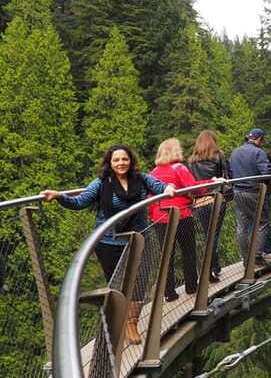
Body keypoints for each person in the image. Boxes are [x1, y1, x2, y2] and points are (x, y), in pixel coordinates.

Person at [42, 144, 176, 344]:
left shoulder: (141, 179)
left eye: (124, 159)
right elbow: (80, 202)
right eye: (116, 160)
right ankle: (120, 324)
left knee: (139, 282)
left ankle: (131, 323)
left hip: (137, 239)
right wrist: (60, 196)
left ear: (130, 161)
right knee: (117, 286)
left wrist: (169, 188)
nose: (121, 163)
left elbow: (159, 187)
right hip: (109, 242)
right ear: (110, 163)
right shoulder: (101, 183)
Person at [149, 138, 214, 302]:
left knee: (166, 255)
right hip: (181, 215)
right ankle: (191, 286)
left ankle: (169, 293)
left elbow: (149, 196)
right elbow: (195, 188)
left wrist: (152, 214)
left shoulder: (153, 172)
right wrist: (212, 182)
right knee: (188, 250)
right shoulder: (179, 168)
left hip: (160, 217)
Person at [229, 128, 271, 265]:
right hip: (254, 192)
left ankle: (246, 258)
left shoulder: (235, 152)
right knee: (261, 223)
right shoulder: (259, 152)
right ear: (259, 139)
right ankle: (257, 256)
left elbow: (230, 171)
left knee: (241, 226)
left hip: (237, 191)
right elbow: (266, 170)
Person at [188, 130, 231, 282]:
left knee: (208, 235)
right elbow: (227, 176)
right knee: (214, 235)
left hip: (199, 201)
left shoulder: (191, 161)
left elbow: (191, 182)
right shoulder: (219, 156)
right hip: (216, 199)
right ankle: (212, 268)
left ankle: (214, 266)